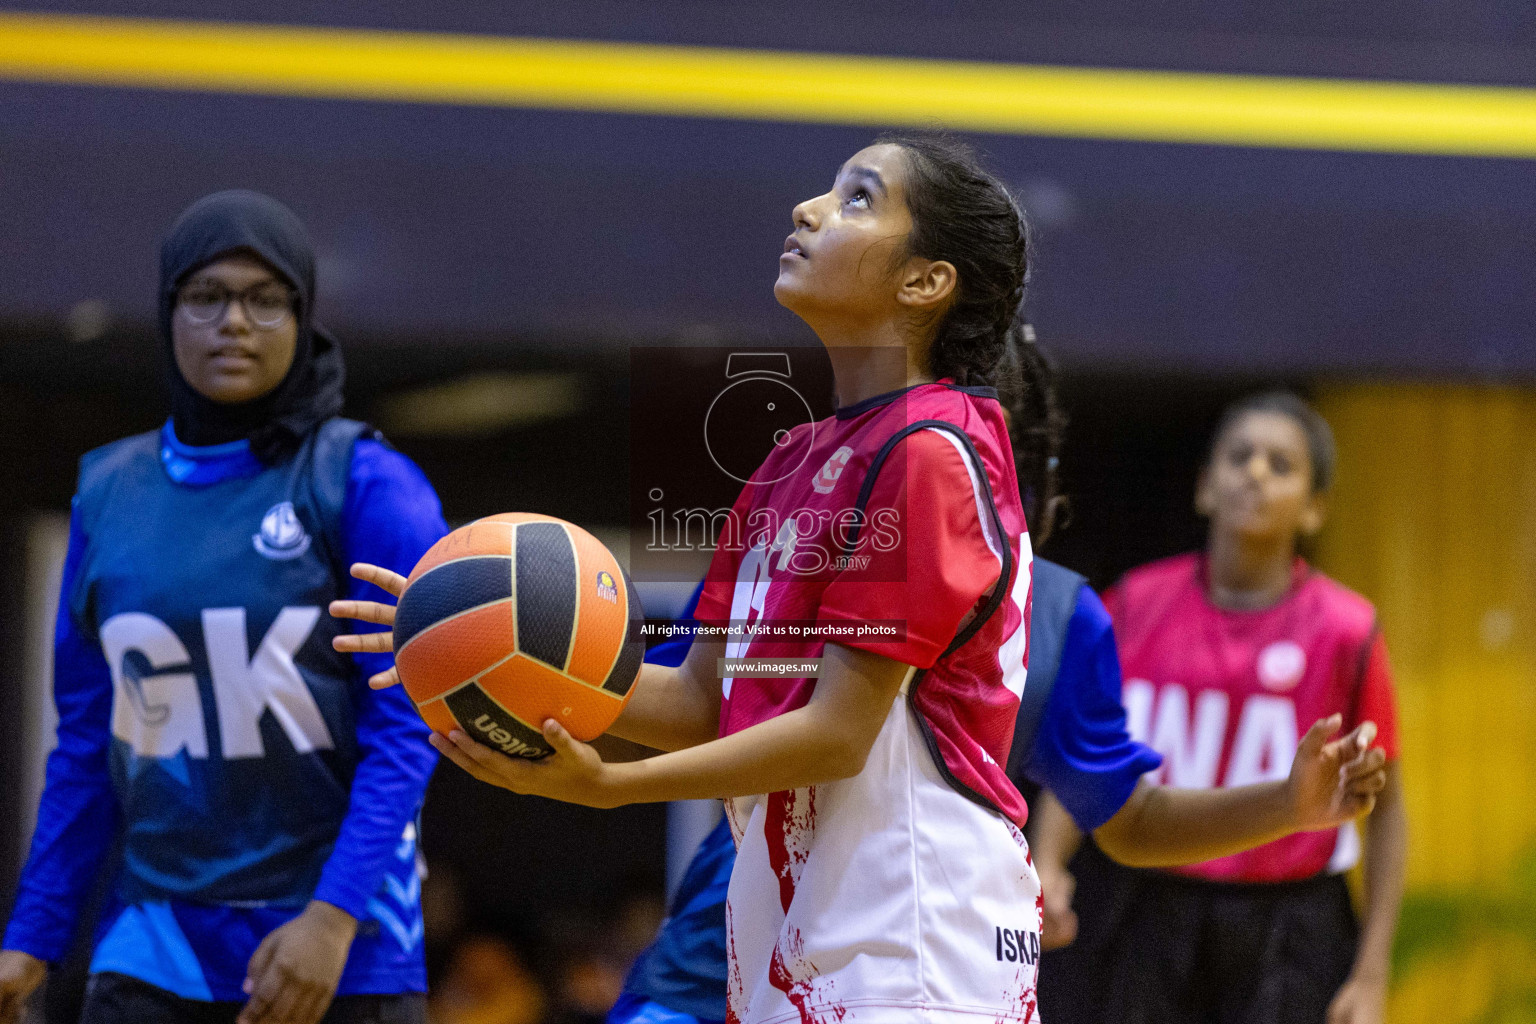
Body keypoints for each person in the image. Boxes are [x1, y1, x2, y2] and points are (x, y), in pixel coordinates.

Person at [335, 137, 1385, 1024]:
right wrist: (491, 646)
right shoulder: (788, 466)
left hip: (913, 913)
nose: (807, 207)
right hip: (790, 909)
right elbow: (701, 698)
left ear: (927, 282)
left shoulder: (932, 452)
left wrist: (605, 785)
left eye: (855, 198)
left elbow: (842, 730)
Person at [594, 331, 1392, 1024]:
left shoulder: (1062, 615)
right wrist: (516, 674)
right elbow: (682, 700)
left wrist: (1290, 805)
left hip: (912, 972)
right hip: (724, 959)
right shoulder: (791, 527)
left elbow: (1130, 816)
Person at [0, 191, 447, 1024]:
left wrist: (333, 917)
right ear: (170, 312)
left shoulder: (368, 482)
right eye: (206, 296)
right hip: (156, 937)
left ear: (303, 316)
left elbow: (410, 725)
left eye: (264, 298)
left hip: (337, 945)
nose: (233, 321)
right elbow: (89, 741)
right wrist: (33, 933)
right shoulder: (109, 490)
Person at [1032, 391, 1408, 1024]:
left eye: (1281, 465)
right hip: (1140, 904)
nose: (1256, 472)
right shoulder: (1133, 604)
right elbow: (1087, 758)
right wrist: (1047, 861)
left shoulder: (1348, 630)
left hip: (1288, 922)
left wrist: (1372, 974)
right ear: (1205, 487)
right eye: (1240, 456)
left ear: (1315, 509)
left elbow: (1389, 809)